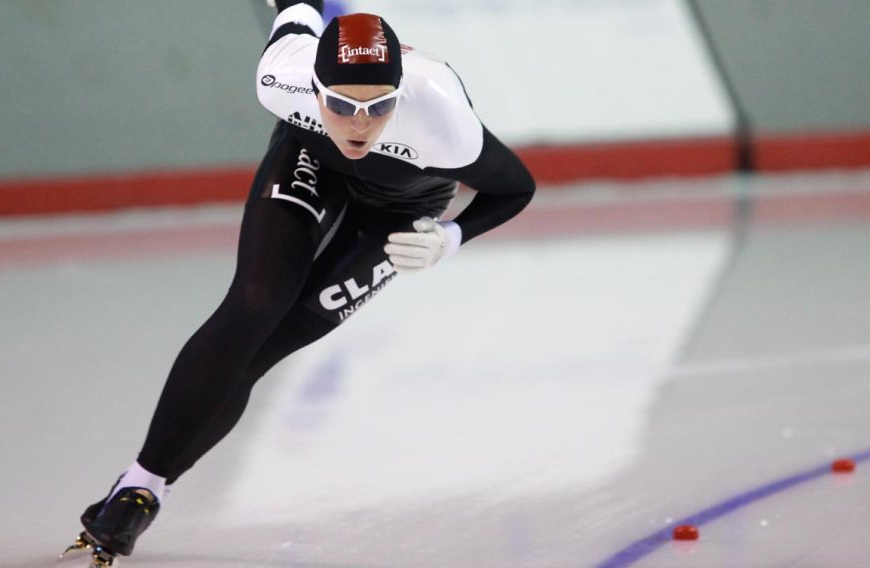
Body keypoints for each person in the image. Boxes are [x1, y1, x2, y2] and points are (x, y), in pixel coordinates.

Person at [63, 1, 535, 565]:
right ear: (311, 88)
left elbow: (516, 188)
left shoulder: (442, 117)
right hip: (310, 159)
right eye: (339, 104)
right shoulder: (279, 74)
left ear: (401, 91)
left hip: (405, 203)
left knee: (266, 347)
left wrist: (451, 237)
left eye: (379, 107)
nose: (359, 124)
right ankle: (139, 492)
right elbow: (296, 6)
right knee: (256, 302)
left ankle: (148, 483)